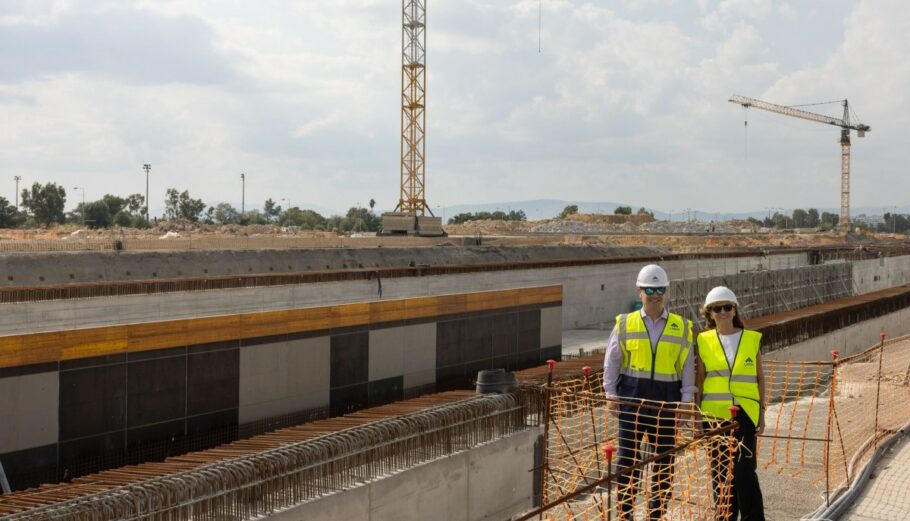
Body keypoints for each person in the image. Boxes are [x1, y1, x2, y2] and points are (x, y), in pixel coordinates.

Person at [602, 264, 695, 521]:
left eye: (660, 290)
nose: (655, 295)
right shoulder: (625, 323)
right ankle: (626, 514)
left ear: (667, 292)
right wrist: (610, 395)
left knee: (664, 462)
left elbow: (687, 367)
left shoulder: (682, 327)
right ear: (639, 291)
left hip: (666, 402)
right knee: (628, 460)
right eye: (649, 289)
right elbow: (612, 361)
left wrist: (686, 402)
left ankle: (656, 514)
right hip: (631, 400)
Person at [696, 286, 766, 521]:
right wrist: (697, 418)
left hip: (745, 413)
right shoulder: (703, 340)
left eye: (728, 307)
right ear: (710, 313)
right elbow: (700, 379)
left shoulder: (750, 338)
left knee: (744, 471)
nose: (723, 312)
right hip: (713, 415)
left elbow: (759, 378)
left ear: (735, 309)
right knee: (720, 472)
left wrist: (762, 413)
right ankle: (725, 517)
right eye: (718, 308)